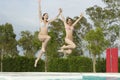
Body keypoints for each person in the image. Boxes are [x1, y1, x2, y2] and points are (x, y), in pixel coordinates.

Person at [34, 0, 62, 67]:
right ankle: (43, 47)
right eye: (46, 15)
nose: (47, 15)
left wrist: (59, 13)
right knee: (49, 37)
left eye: (47, 15)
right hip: (41, 36)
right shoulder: (41, 20)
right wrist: (39, 3)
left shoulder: (48, 22)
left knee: (42, 51)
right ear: (43, 16)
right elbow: (39, 11)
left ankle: (36, 60)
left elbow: (55, 18)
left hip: (45, 38)